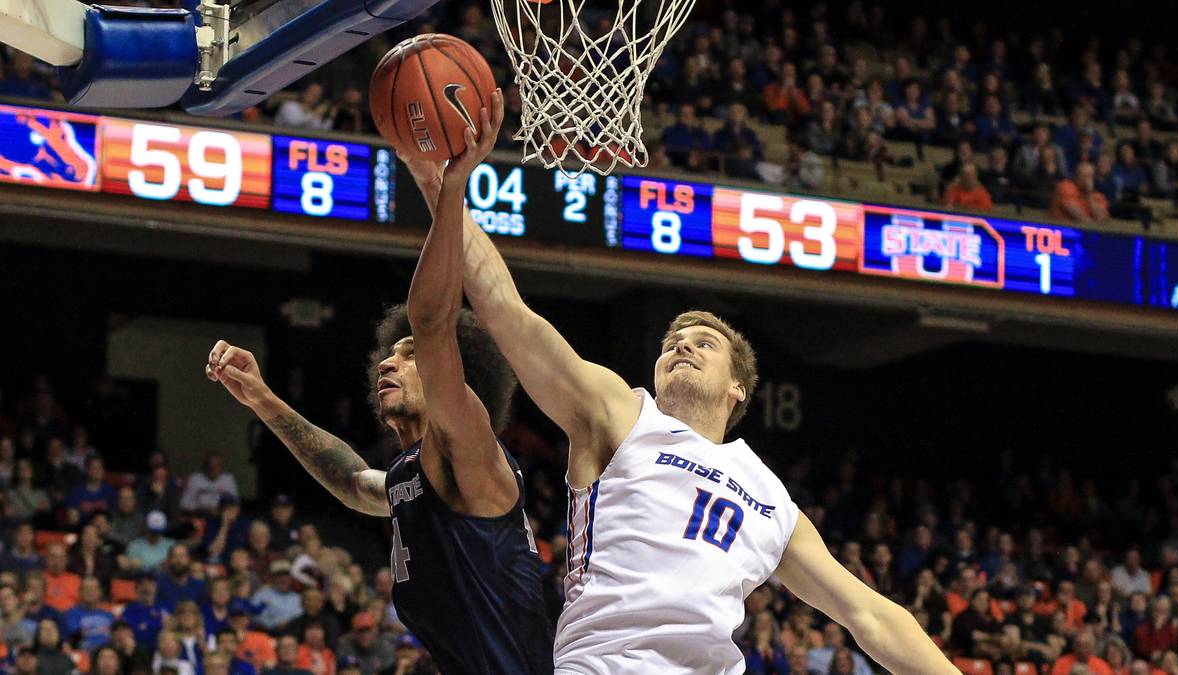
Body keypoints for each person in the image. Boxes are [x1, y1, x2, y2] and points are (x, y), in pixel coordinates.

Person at [403, 95, 957, 674]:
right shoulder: (620, 414)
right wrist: (443, 185)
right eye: (672, 342)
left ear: (737, 388)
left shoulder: (771, 500)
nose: (681, 345)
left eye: (703, 343)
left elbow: (870, 615)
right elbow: (502, 307)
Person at [206, 90, 552, 675]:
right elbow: (347, 479)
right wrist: (262, 399)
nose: (388, 364)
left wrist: (451, 186)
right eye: (387, 356)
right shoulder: (410, 478)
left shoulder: (470, 445)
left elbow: (434, 319)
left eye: (408, 355)